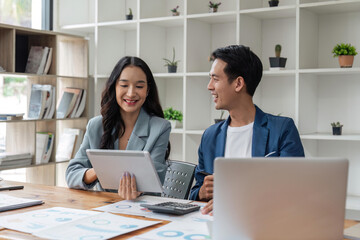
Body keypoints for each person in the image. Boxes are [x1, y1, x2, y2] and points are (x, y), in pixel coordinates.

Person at [189, 45, 305, 215]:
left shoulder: (282, 130)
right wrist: (201, 192)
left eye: (215, 78)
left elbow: (295, 190)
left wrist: (237, 201)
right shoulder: (210, 136)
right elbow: (195, 193)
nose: (209, 86)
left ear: (238, 83)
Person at [66, 56, 171, 200]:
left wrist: (135, 189)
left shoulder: (160, 128)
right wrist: (101, 169)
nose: (131, 93)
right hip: (104, 207)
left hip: (141, 208)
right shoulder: (96, 125)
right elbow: (72, 175)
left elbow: (155, 180)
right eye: (124, 85)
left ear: (147, 90)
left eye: (139, 86)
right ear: (114, 87)